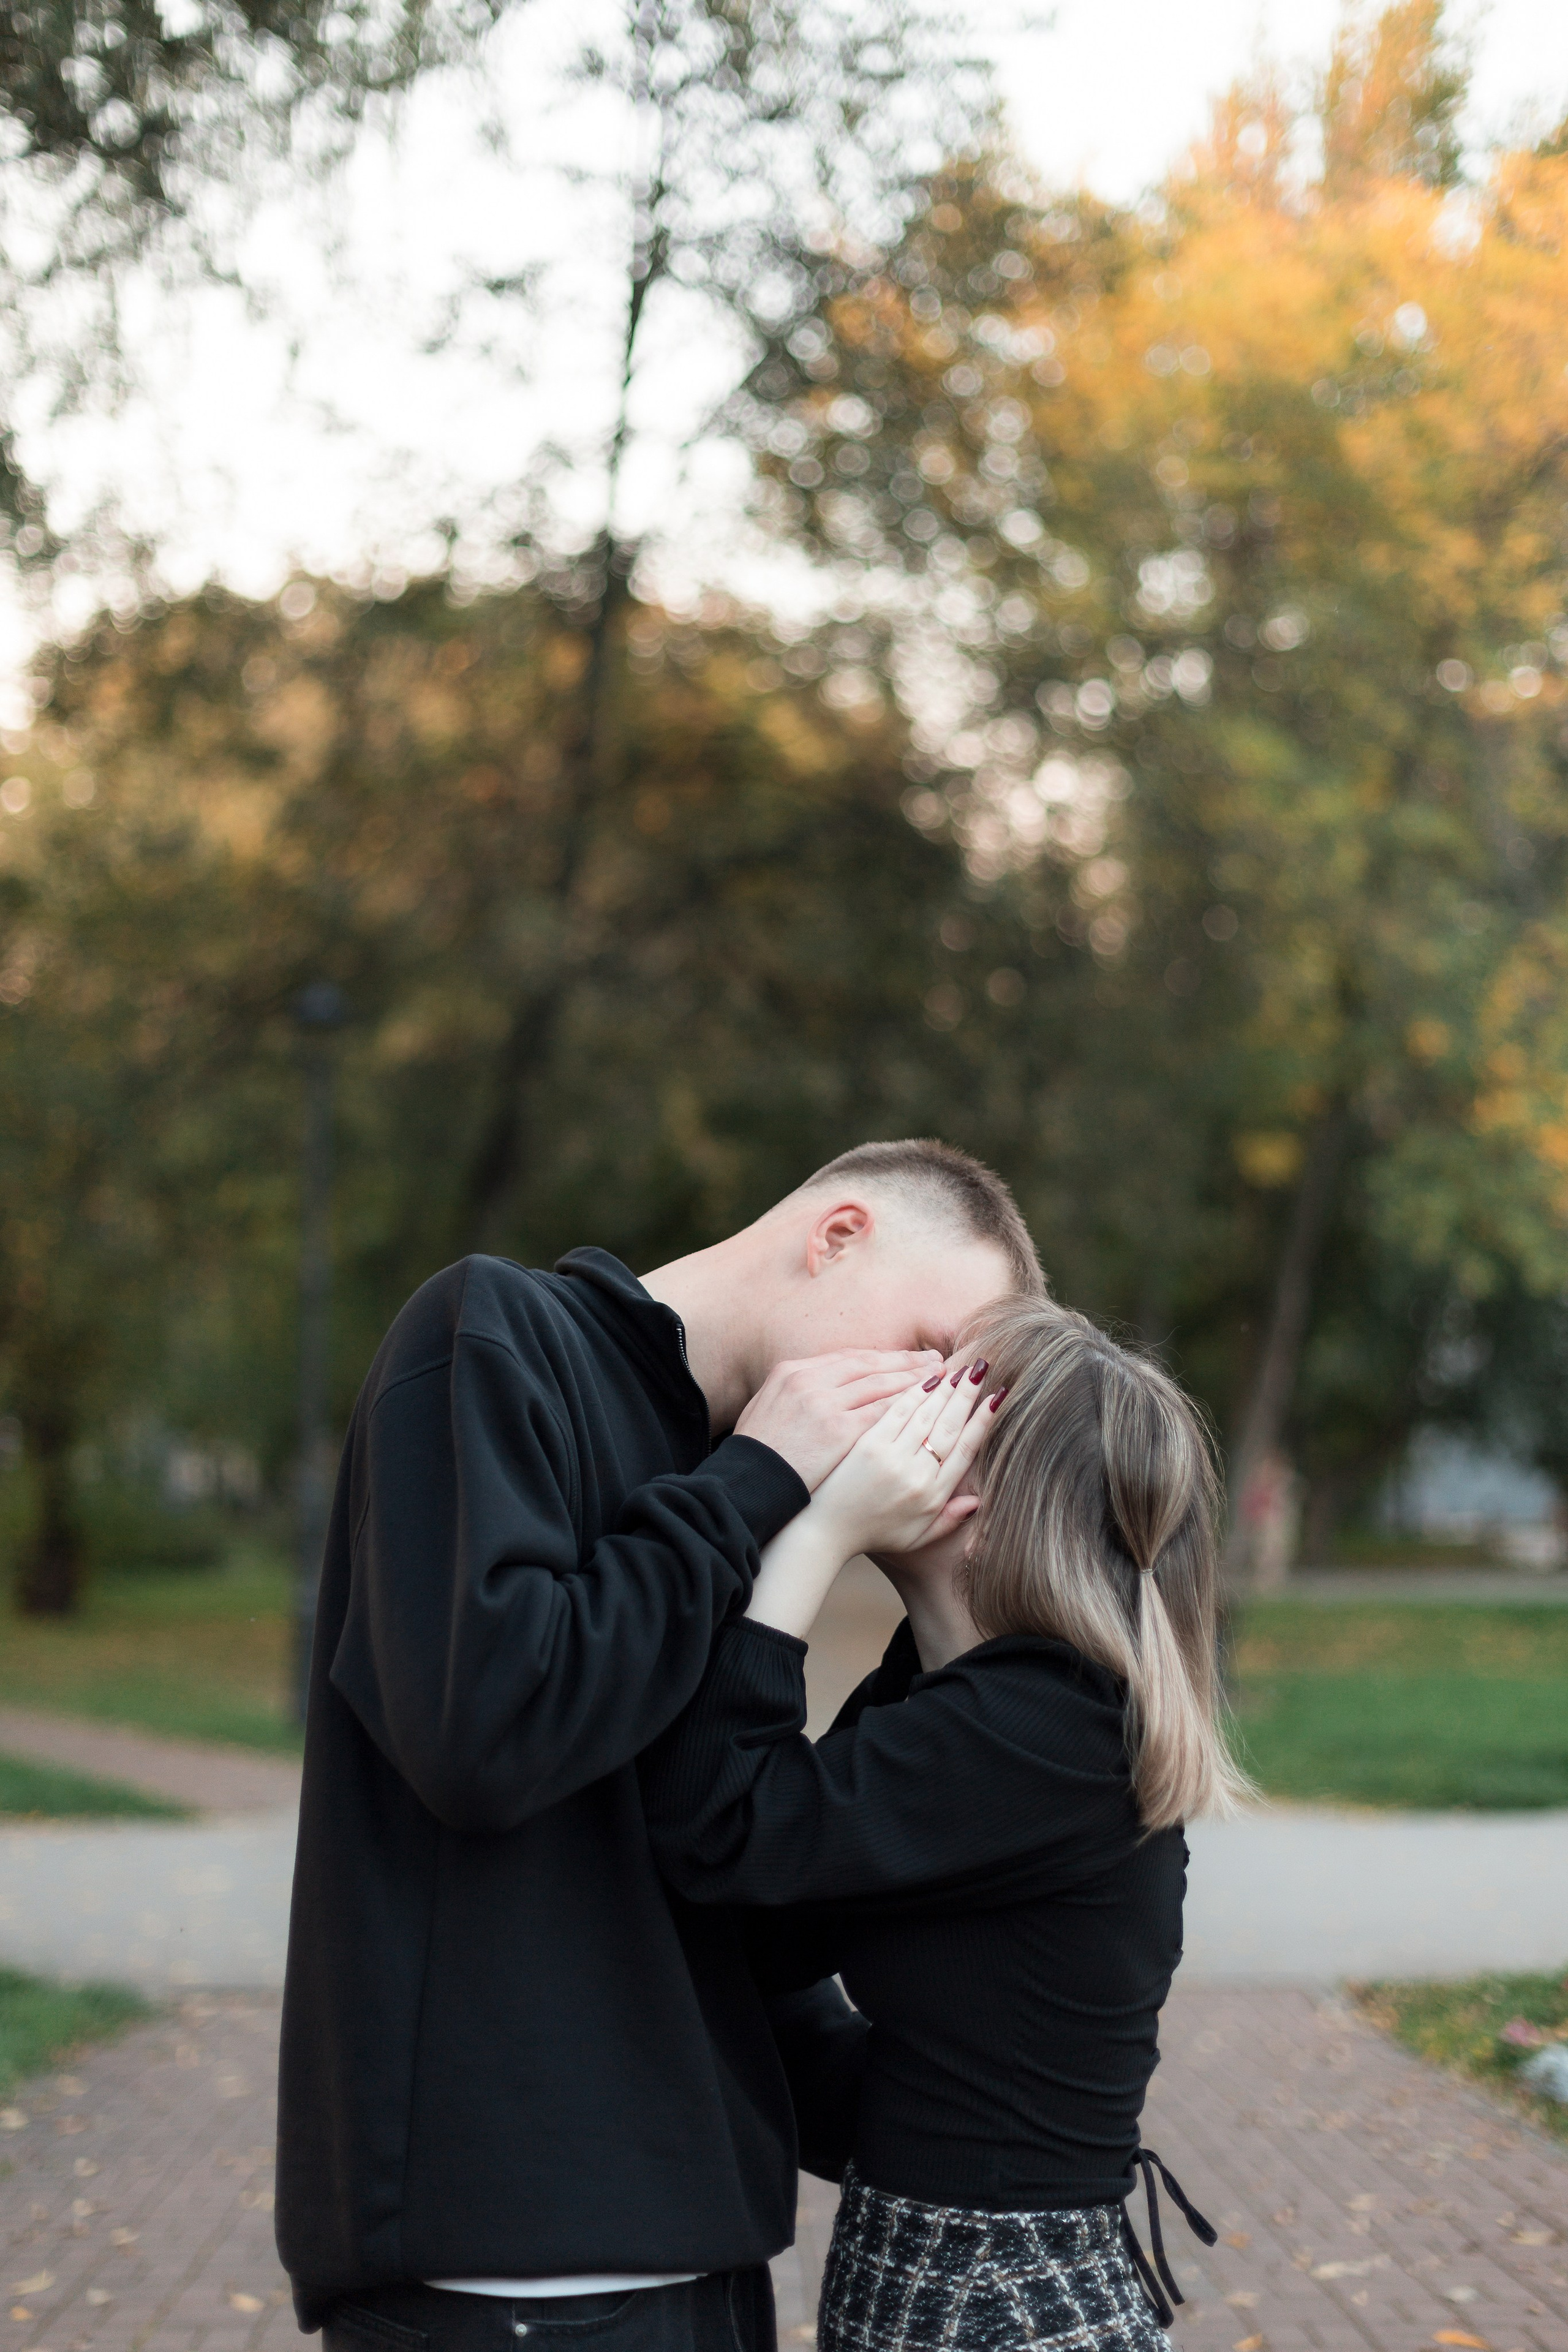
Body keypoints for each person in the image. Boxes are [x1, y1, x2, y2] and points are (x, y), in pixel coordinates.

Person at [275, 1139, 1042, 2352]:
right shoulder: (495, 1334)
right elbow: (485, 1729)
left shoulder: (749, 1483)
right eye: (928, 1353)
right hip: (512, 2277)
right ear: (835, 1235)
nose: (927, 1410)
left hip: (706, 2262)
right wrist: (758, 1483)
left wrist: (1036, 2111)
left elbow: (720, 1888)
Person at [641, 1296, 1253, 2352]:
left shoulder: (1046, 1724)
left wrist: (818, 1529)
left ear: (977, 1477)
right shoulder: (972, 1704)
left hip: (995, 2302)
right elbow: (767, 1914)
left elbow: (724, 1829)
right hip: (963, 2283)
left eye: (931, 1395)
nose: (882, 1413)